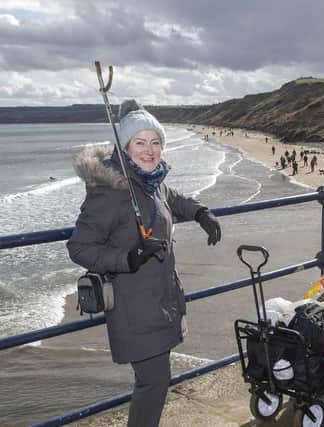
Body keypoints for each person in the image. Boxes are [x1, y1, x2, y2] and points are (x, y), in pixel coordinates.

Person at [67, 100, 222, 427]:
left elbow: (173, 198)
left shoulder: (152, 181)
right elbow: (79, 247)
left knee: (155, 382)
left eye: (155, 142)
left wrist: (200, 212)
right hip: (134, 308)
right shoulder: (110, 191)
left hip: (161, 302)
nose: (150, 151)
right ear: (124, 147)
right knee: (153, 382)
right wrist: (128, 258)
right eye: (140, 143)